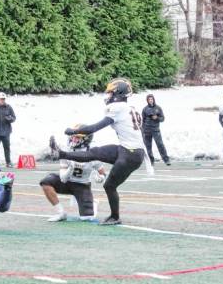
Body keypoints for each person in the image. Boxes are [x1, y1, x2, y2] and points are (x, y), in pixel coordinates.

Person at [49, 78, 152, 225]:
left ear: (118, 93)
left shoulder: (118, 108)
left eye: (111, 93)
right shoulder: (129, 108)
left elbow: (93, 129)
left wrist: (72, 131)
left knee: (109, 186)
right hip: (128, 149)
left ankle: (115, 217)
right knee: (94, 153)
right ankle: (61, 154)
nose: (108, 96)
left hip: (131, 154)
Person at [41, 128, 105, 222]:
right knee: (46, 182)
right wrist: (70, 169)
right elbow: (63, 178)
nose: (73, 140)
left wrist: (101, 178)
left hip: (82, 185)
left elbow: (102, 173)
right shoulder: (66, 151)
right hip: (67, 182)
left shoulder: (93, 154)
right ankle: (61, 213)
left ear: (86, 139)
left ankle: (93, 202)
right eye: (73, 137)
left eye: (77, 138)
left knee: (87, 218)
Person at [141, 94, 170, 166]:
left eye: (151, 99)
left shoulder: (158, 108)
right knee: (148, 147)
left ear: (153, 100)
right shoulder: (145, 109)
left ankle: (166, 160)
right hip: (147, 130)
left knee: (160, 144)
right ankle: (151, 161)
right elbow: (143, 120)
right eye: (149, 99)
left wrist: (157, 118)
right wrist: (142, 130)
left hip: (155, 130)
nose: (150, 100)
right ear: (147, 101)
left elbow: (163, 119)